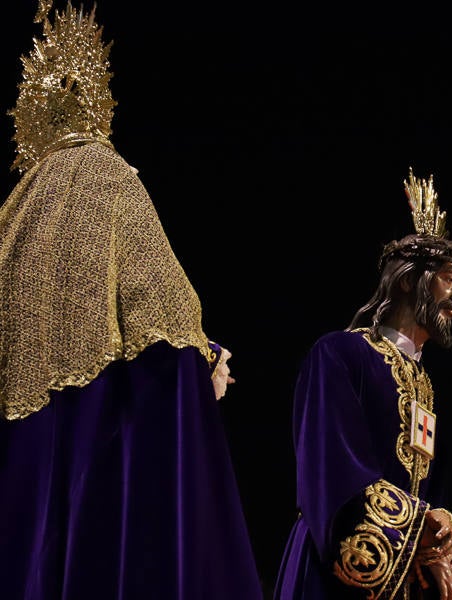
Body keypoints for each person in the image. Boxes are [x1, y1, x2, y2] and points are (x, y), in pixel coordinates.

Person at [0, 2, 263, 598]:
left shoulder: (13, 211)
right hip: (95, 442)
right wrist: (206, 353)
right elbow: (165, 311)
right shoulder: (110, 175)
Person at [273, 168, 452, 600]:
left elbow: (430, 488)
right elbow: (331, 466)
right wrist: (419, 524)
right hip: (339, 567)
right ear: (408, 280)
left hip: (408, 575)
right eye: (449, 280)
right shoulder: (340, 354)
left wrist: (440, 530)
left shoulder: (425, 384)